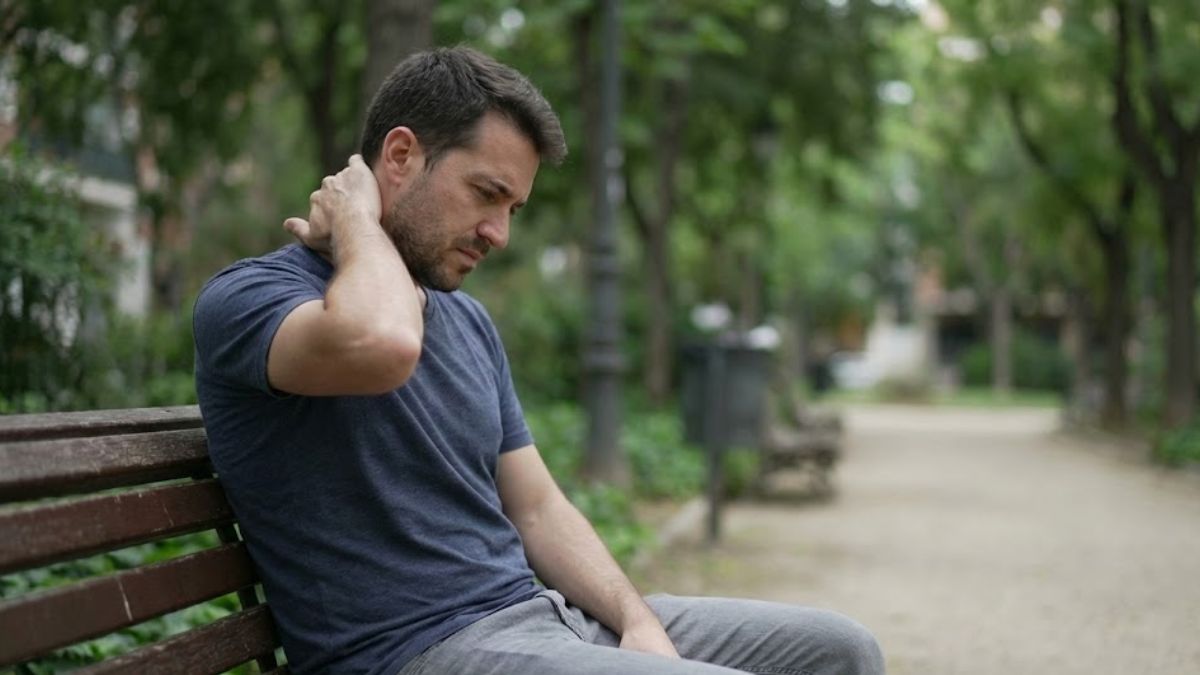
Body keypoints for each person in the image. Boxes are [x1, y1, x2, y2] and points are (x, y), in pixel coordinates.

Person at [193, 46, 884, 675]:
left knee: (841, 649)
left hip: (543, 621)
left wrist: (636, 618)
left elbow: (537, 506)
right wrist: (357, 221)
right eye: (487, 194)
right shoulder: (251, 299)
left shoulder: (465, 318)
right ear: (398, 158)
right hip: (421, 651)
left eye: (514, 207)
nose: (500, 233)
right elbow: (384, 344)